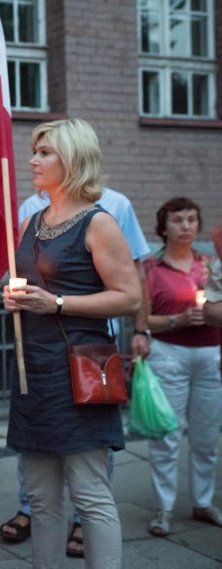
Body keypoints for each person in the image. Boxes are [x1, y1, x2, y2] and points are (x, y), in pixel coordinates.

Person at [3, 118, 140, 568]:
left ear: (74, 160)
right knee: (41, 497)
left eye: (45, 153)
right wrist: (14, 297)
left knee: (90, 494)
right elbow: (27, 285)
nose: (33, 160)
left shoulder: (98, 223)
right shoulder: (31, 220)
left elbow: (129, 296)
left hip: (81, 370)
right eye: (34, 151)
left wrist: (57, 302)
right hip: (34, 371)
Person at [142, 198, 222, 537]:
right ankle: (164, 508)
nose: (186, 226)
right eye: (178, 220)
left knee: (206, 437)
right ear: (164, 227)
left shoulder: (210, 265)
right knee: (167, 434)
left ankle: (203, 501)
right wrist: (177, 319)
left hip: (210, 355)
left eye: (192, 219)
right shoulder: (151, 267)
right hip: (169, 353)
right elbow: (143, 319)